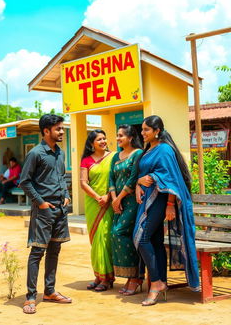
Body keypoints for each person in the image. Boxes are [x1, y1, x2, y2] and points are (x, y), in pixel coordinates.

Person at [133, 115, 200, 307]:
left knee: (140, 238)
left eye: (146, 130)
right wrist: (139, 182)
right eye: (143, 129)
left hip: (159, 200)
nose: (143, 133)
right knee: (154, 241)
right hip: (146, 201)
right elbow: (142, 173)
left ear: (157, 131)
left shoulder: (164, 149)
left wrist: (170, 204)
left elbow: (170, 177)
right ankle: (160, 281)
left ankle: (156, 283)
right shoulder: (149, 149)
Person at [20, 114, 72, 314]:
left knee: (55, 250)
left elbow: (61, 176)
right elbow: (25, 181)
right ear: (46, 131)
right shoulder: (36, 153)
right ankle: (31, 296)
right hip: (43, 212)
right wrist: (41, 203)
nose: (61, 132)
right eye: (58, 129)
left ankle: (49, 291)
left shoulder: (60, 153)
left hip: (60, 210)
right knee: (37, 252)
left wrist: (66, 194)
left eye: (62, 128)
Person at [109, 124, 143, 295]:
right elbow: (111, 179)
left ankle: (136, 276)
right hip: (118, 203)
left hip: (131, 202)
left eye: (121, 135)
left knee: (119, 232)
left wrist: (119, 199)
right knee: (116, 234)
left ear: (130, 137)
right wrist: (114, 199)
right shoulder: (116, 156)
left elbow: (133, 178)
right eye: (117, 135)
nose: (118, 138)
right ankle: (132, 276)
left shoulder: (137, 154)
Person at [80, 129, 115, 292]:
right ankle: (99, 275)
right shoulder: (86, 160)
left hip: (109, 202)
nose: (103, 141)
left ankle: (107, 278)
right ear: (91, 143)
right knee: (95, 240)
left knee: (105, 238)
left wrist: (107, 196)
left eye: (104, 138)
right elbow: (83, 183)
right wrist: (97, 197)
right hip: (93, 203)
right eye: (99, 139)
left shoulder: (113, 157)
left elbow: (117, 179)